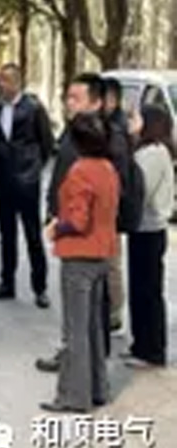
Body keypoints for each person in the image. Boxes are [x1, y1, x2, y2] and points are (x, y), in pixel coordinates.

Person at [37, 73, 133, 372]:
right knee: (77, 306)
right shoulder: (74, 132)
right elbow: (61, 175)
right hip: (70, 227)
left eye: (76, 98)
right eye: (68, 97)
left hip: (90, 234)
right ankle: (79, 357)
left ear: (97, 102)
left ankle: (86, 364)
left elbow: (116, 187)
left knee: (89, 305)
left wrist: (75, 219)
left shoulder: (109, 138)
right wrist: (53, 209)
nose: (69, 103)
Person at [40, 113, 119, 413]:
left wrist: (56, 228)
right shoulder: (108, 169)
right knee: (94, 327)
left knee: (75, 329)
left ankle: (74, 395)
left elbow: (77, 220)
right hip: (102, 252)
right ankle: (98, 388)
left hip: (79, 255)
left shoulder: (80, 171)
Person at [0, 64, 53, 309]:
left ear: (17, 82)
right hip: (2, 177)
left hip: (26, 179)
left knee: (32, 234)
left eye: (4, 80)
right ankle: (7, 282)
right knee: (6, 234)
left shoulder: (33, 108)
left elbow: (47, 142)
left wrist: (34, 169)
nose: (0, 85)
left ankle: (40, 287)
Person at [124, 105, 175, 369]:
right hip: (142, 229)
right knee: (139, 289)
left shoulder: (154, 153)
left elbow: (139, 190)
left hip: (150, 229)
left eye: (135, 118)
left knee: (147, 291)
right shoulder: (145, 151)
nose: (130, 122)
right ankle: (140, 344)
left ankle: (152, 349)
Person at [101, 77, 128, 333]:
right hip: (98, 206)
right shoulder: (101, 124)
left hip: (110, 208)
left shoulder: (117, 130)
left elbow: (119, 175)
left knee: (111, 262)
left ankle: (114, 312)